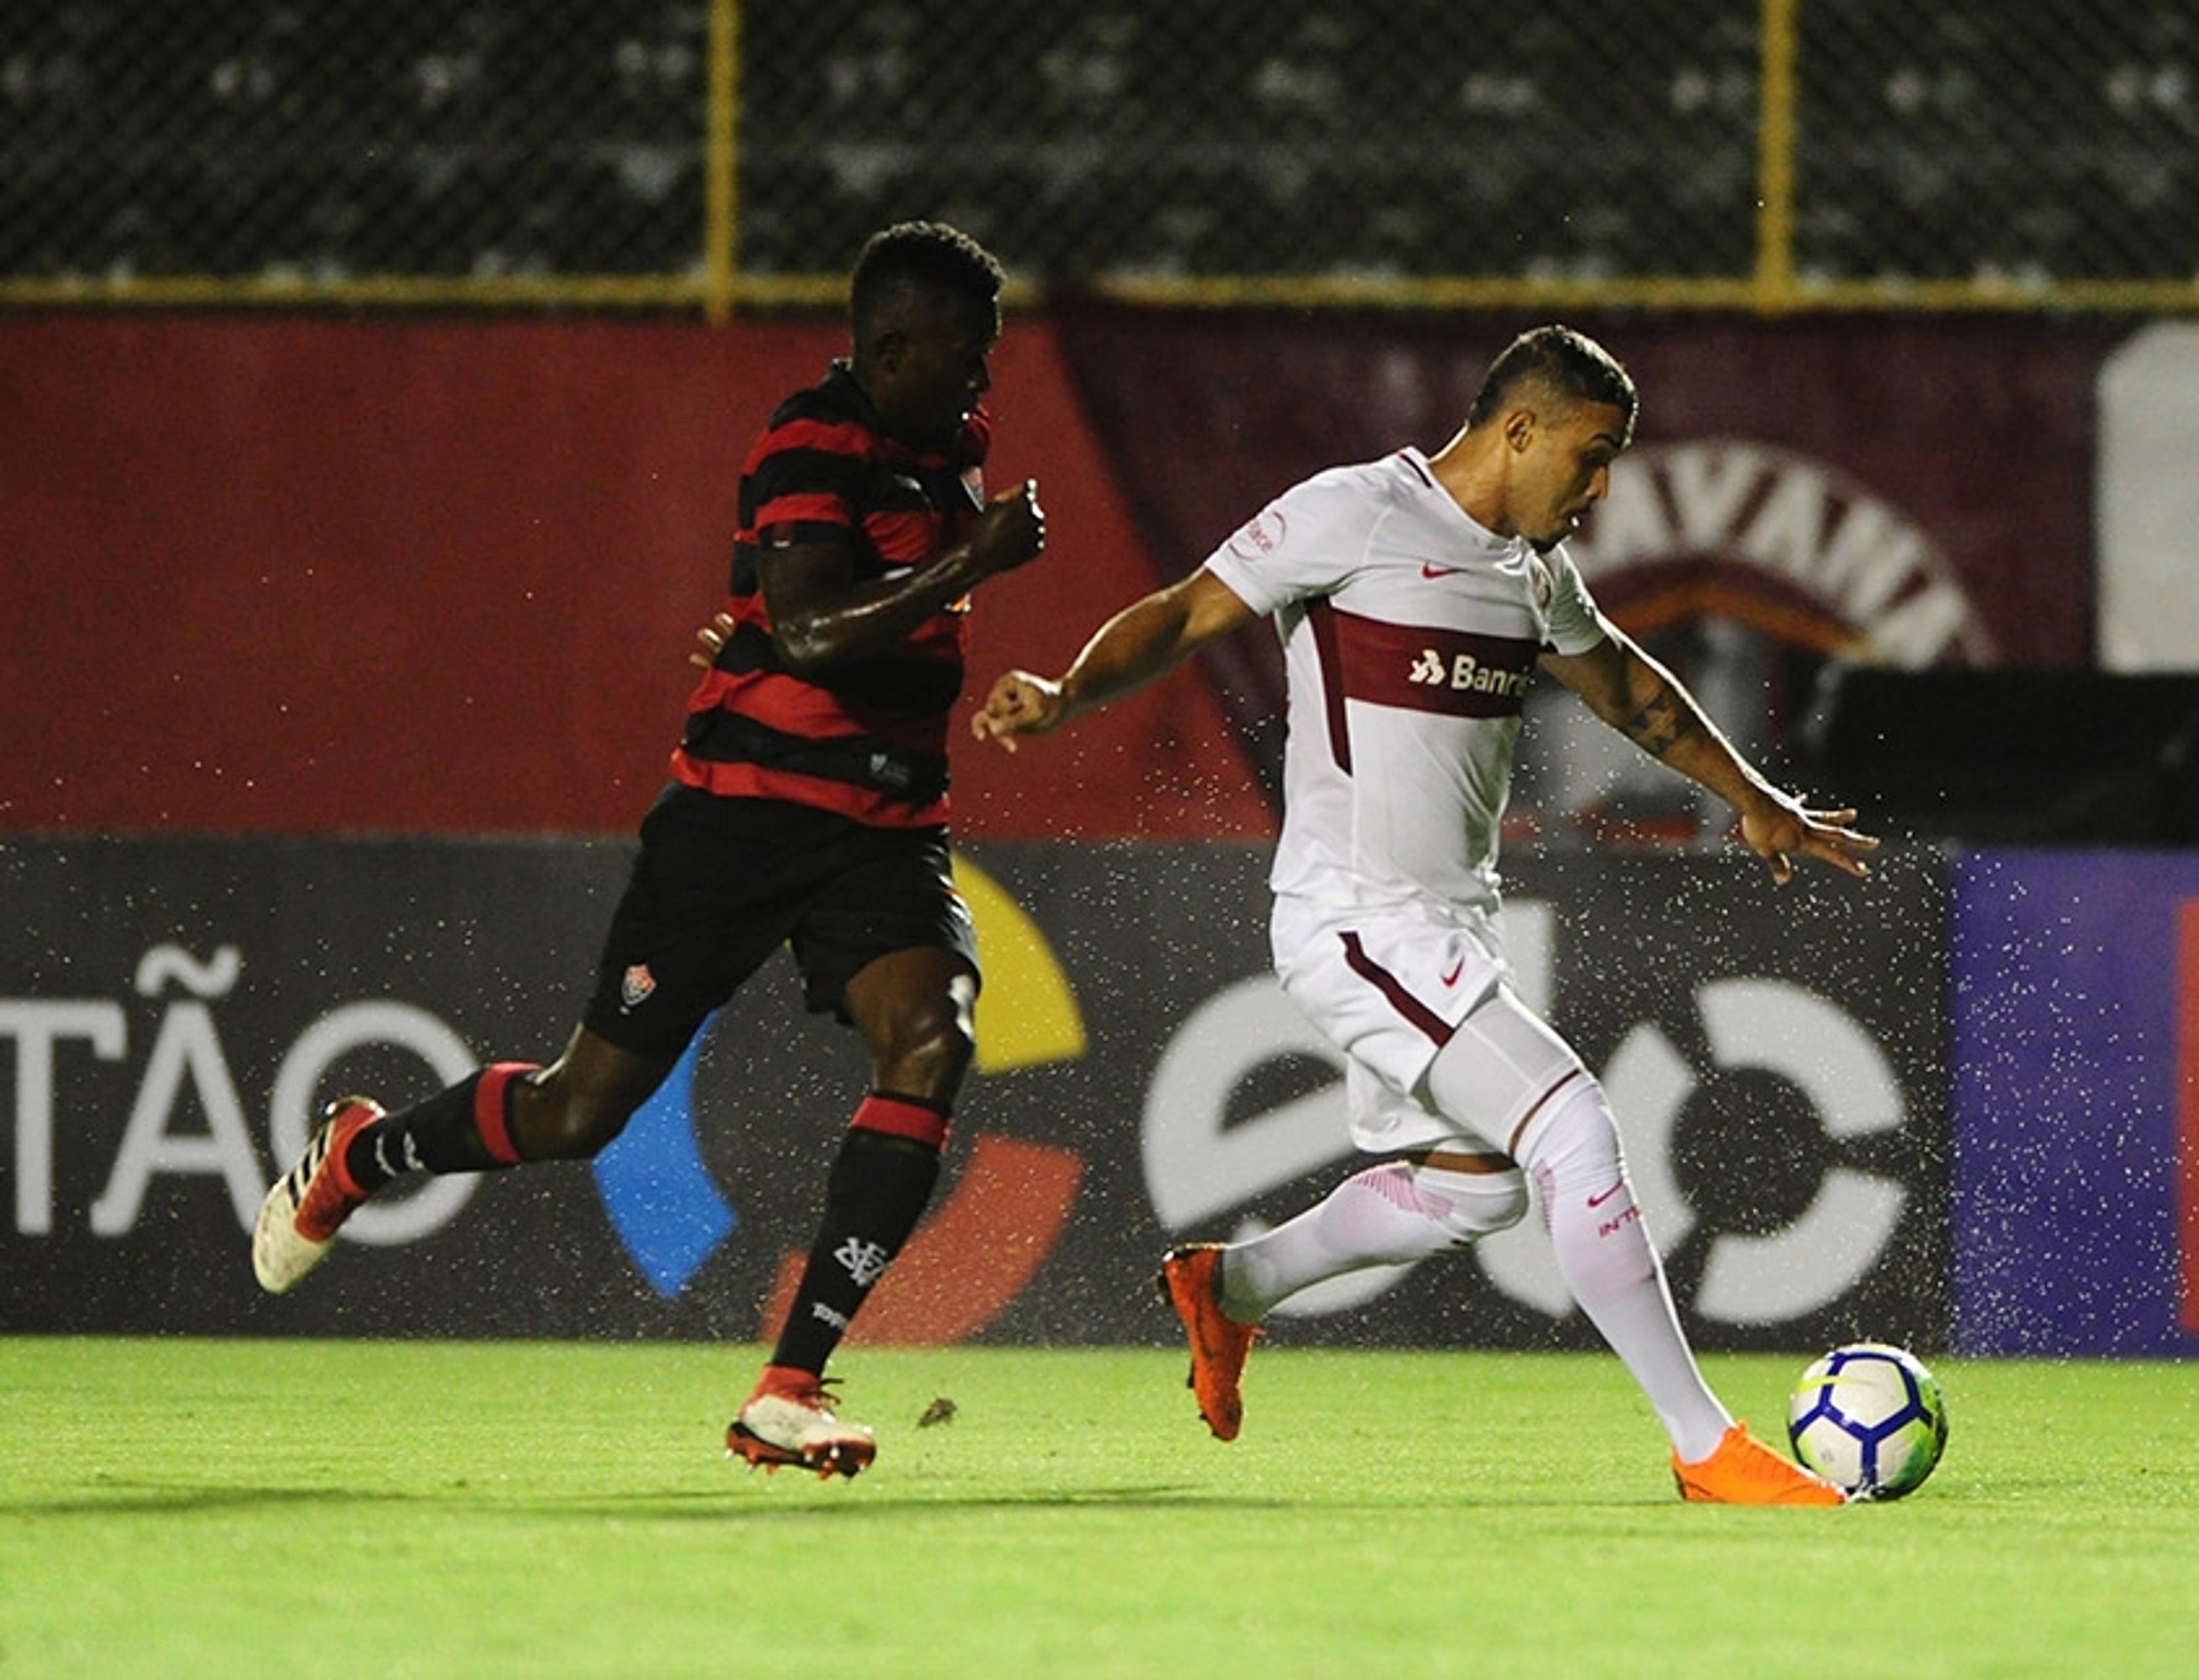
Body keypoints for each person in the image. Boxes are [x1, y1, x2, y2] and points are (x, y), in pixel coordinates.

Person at [973, 325, 1877, 1504]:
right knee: (1574, 1132)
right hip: (1357, 921)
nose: (1601, 489)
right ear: (1519, 430)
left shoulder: (1534, 571)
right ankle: (1706, 1447)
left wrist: (1753, 801)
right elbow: (1190, 611)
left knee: (1473, 1188)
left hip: (1450, 927)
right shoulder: (1356, 514)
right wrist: (1063, 694)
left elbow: (1624, 687)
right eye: (1592, 457)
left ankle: (1231, 1286)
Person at [251, 220, 1046, 1481]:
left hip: (886, 829)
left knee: (936, 1037)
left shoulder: (955, 451)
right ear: (890, 349)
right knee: (582, 1112)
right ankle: (362, 1153)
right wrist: (963, 561)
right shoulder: (810, 437)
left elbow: (807, 623)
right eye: (966, 359)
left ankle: (787, 1389)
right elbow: (808, 633)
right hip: (742, 820)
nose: (984, 385)